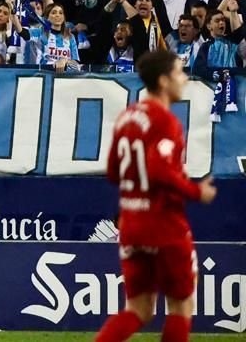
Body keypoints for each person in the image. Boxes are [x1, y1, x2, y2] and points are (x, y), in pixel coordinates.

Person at [93, 48, 219, 342]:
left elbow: (113, 171)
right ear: (163, 81)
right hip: (163, 224)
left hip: (131, 225)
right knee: (181, 305)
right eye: (179, 72)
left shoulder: (127, 118)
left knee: (139, 309)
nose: (184, 79)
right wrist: (195, 191)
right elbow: (160, 171)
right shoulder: (165, 121)